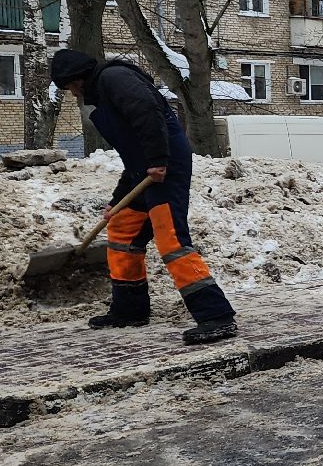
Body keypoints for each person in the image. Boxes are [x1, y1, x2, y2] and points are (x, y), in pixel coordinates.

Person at [48, 49, 238, 345]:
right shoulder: (104, 94)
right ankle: (130, 308)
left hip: (166, 166)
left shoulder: (115, 79)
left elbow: (148, 114)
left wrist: (159, 160)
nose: (72, 94)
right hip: (145, 170)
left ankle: (216, 315)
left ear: (79, 78)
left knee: (171, 240)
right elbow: (132, 157)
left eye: (70, 86)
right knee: (122, 225)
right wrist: (117, 198)